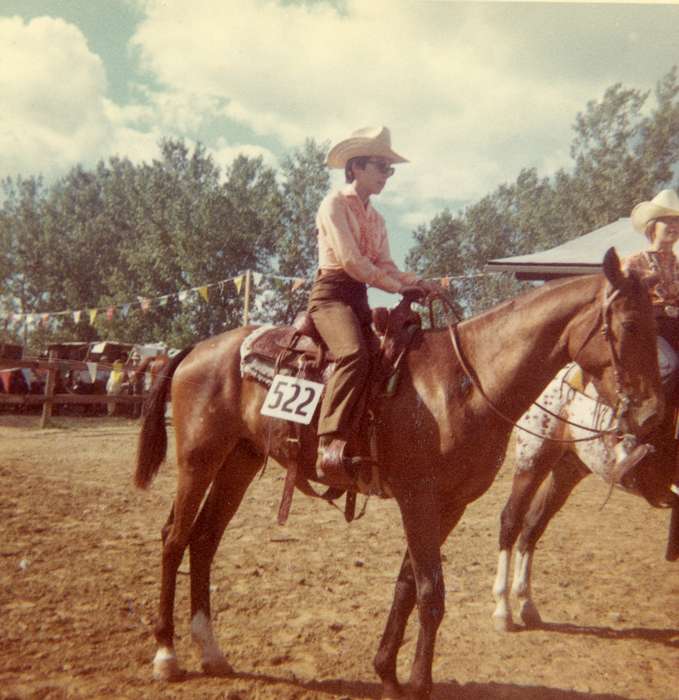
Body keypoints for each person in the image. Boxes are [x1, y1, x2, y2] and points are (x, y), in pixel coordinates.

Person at [307, 126, 437, 482]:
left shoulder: (377, 219)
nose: (386, 176)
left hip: (358, 299)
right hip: (331, 297)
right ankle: (328, 442)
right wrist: (396, 287)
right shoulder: (333, 204)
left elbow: (384, 264)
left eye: (388, 169)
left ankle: (369, 437)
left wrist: (416, 282)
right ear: (356, 168)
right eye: (381, 167)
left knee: (388, 359)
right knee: (353, 355)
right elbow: (352, 262)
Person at [625, 188, 679, 392]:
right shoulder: (634, 262)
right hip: (648, 328)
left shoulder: (678, 265)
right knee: (670, 366)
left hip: (675, 326)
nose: (674, 226)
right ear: (652, 227)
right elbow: (623, 304)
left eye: (677, 221)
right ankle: (647, 417)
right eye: (668, 220)